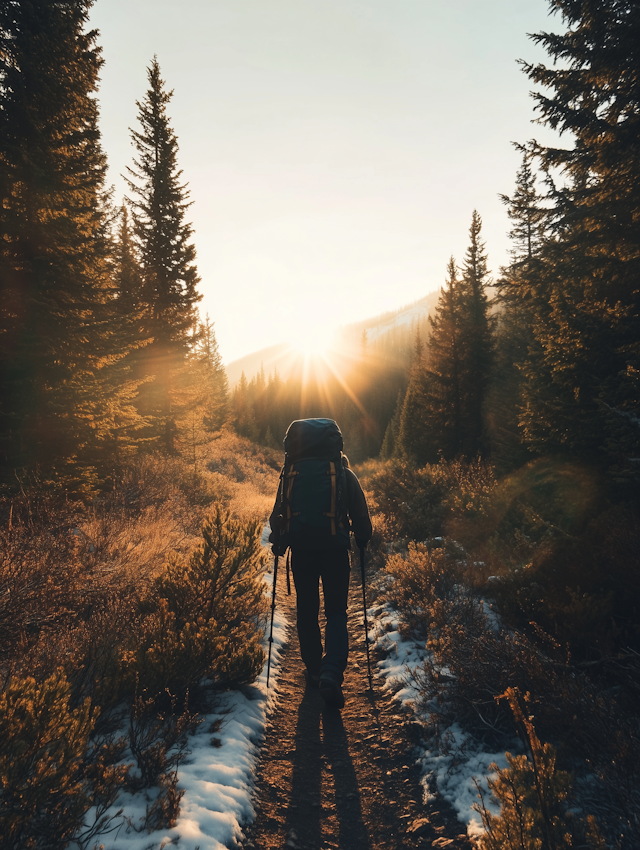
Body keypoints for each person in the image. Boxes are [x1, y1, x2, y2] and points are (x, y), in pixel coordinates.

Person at [269, 418, 372, 709]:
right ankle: (331, 673)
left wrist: (281, 538)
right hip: (336, 553)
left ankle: (314, 669)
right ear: (336, 447)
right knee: (337, 612)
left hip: (302, 551)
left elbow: (275, 516)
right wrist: (361, 539)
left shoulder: (290, 474)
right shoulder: (345, 474)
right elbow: (363, 523)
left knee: (307, 610)